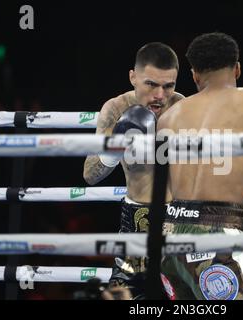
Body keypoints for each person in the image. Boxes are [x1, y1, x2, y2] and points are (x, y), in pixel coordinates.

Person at [157, 32, 243, 300]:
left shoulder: (167, 117)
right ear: (237, 68)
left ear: (194, 75)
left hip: (167, 237)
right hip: (216, 235)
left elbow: (165, 185)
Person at [83, 42, 184, 299]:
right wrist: (115, 146)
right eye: (151, 84)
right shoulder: (116, 109)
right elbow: (90, 175)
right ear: (133, 77)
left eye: (168, 86)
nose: (160, 95)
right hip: (136, 222)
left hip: (180, 221)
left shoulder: (184, 109)